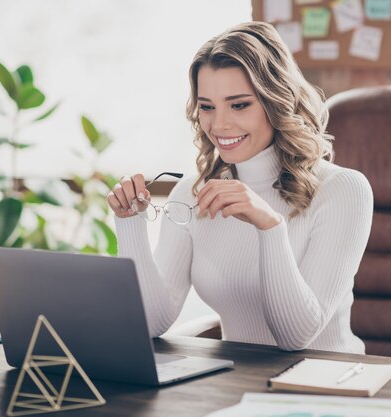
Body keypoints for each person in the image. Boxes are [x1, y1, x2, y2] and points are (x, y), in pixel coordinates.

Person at [107, 21, 373, 353]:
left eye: (239, 105)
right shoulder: (192, 195)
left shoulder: (343, 190)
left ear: (276, 101)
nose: (219, 125)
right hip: (236, 389)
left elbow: (296, 338)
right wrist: (130, 222)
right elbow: (151, 323)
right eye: (207, 107)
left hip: (328, 389)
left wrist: (270, 227)